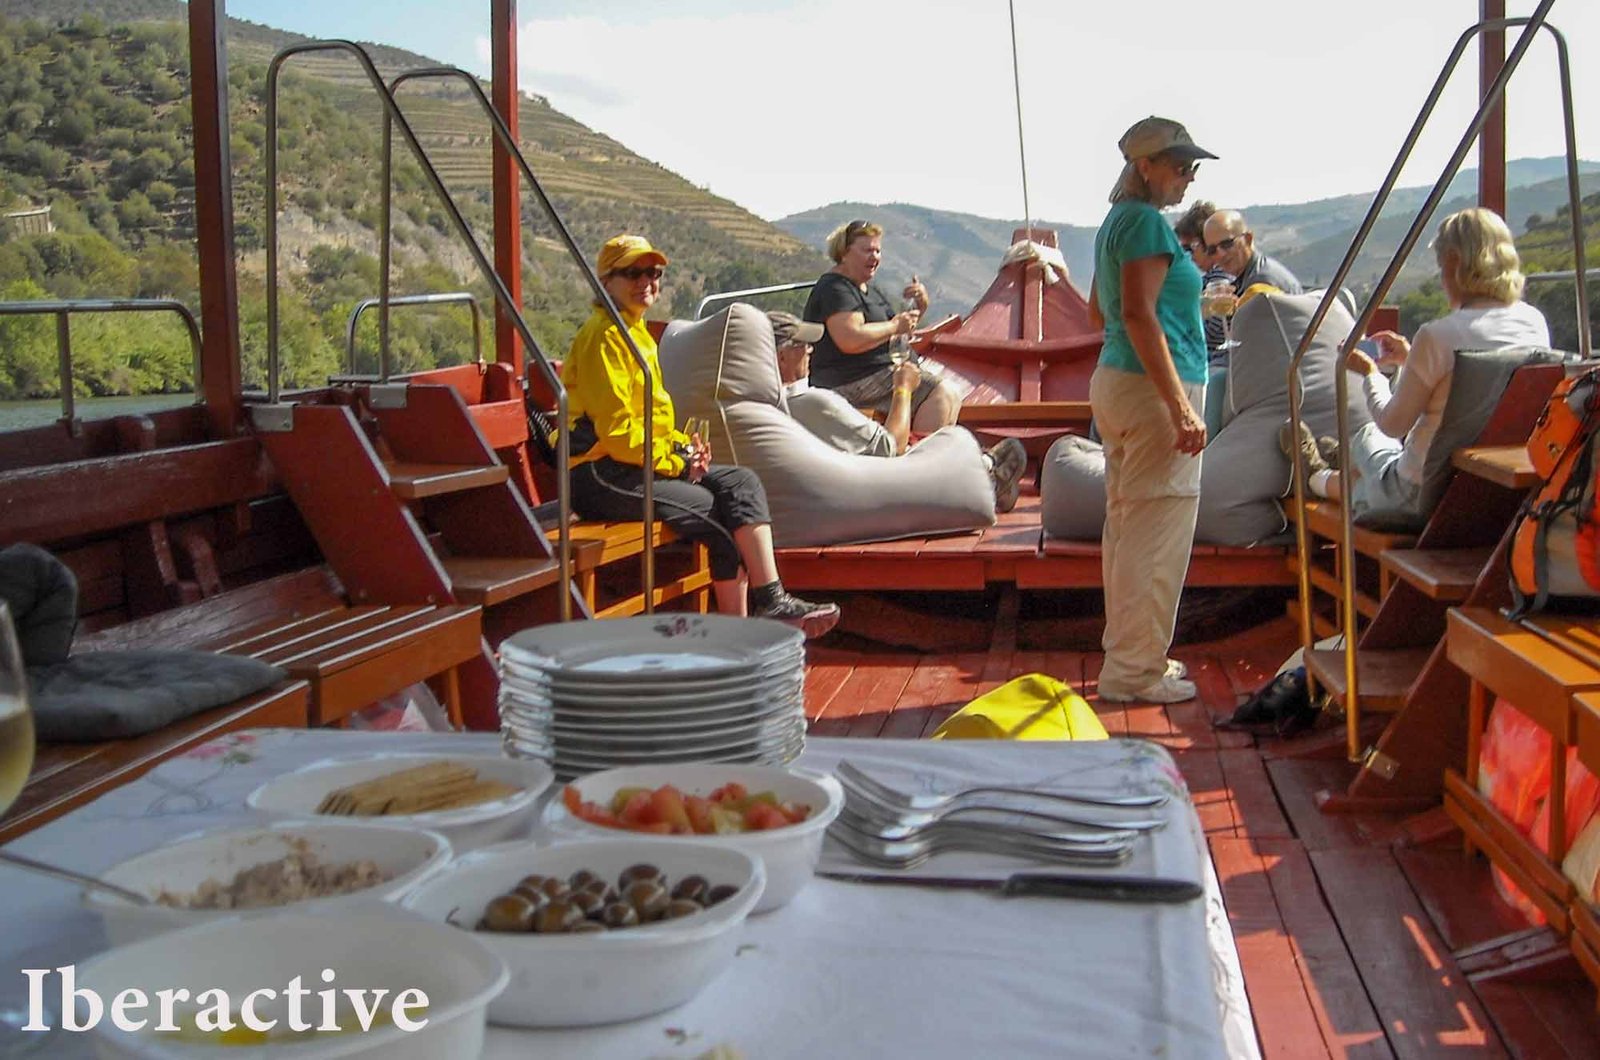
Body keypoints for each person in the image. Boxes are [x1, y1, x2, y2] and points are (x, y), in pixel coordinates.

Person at [562, 234, 841, 637]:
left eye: (653, 273)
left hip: (634, 465)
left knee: (741, 483)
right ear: (605, 282)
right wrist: (677, 462)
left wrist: (682, 447)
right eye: (632, 273)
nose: (647, 282)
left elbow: (650, 421)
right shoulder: (603, 338)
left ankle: (772, 597)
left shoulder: (636, 333)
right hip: (600, 474)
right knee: (718, 517)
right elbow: (620, 434)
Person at [1285, 207, 1550, 513]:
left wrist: (1370, 373)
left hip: (1421, 493)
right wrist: (1411, 360)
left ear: (1453, 262)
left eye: (1441, 267)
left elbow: (1392, 425)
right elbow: (1466, 383)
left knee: (1368, 437)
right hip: (1492, 489)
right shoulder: (1534, 322)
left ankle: (1316, 476)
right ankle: (1346, 462)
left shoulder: (1439, 335)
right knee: (1374, 460)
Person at [1085, 116, 1216, 705]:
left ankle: (1130, 654)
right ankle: (1134, 672)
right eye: (1179, 165)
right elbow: (1137, 315)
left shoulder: (1118, 223)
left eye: (1193, 167)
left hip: (1119, 384)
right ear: (1145, 167)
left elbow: (1101, 312)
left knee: (1129, 529)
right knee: (1155, 535)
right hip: (1155, 394)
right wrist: (1182, 410)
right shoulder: (1143, 224)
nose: (1188, 177)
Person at [768, 311, 1028, 512]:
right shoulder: (814, 403)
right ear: (782, 357)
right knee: (957, 439)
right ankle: (985, 474)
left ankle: (985, 471)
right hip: (866, 496)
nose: (811, 351)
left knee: (940, 442)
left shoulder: (756, 406)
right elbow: (891, 448)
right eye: (803, 345)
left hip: (815, 493)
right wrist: (902, 390)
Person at [802, 219, 963, 434]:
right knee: (941, 392)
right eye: (867, 250)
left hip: (876, 374)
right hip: (849, 380)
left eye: (878, 251)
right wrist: (895, 325)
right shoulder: (836, 289)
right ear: (844, 253)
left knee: (951, 394)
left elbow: (895, 330)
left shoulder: (868, 289)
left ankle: (925, 452)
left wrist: (919, 308)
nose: (875, 257)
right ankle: (921, 459)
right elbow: (851, 339)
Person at [1201, 209, 1303, 296]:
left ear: (1248, 239)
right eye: (1212, 250)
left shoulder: (1261, 283)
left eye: (1227, 244)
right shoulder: (1248, 276)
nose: (1221, 254)